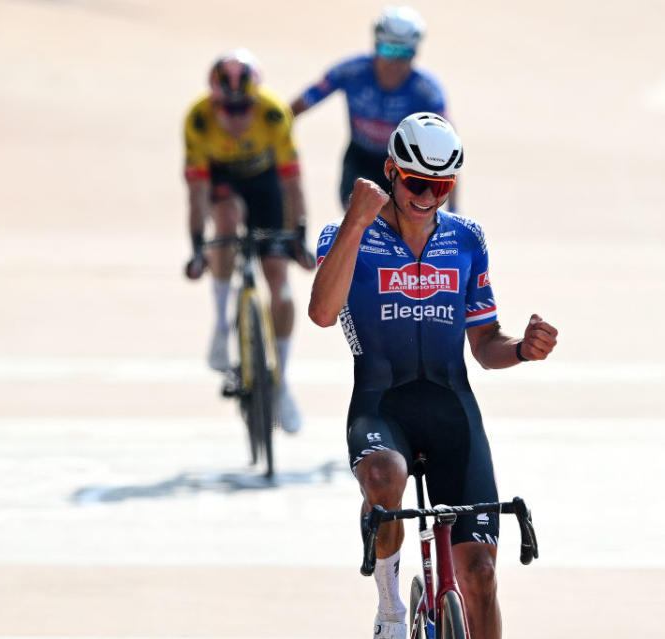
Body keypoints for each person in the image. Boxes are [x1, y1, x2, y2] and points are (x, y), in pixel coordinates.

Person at [308, 113, 558, 639]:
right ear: (391, 173)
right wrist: (356, 222)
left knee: (482, 575)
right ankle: (391, 611)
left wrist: (523, 349)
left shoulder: (467, 239)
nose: (427, 196)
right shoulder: (343, 234)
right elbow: (322, 313)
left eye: (440, 186)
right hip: (382, 405)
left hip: (451, 408)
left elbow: (486, 345)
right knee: (383, 478)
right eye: (417, 182)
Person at [183, 49, 314, 434]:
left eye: (244, 110)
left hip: (265, 184)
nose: (236, 118)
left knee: (282, 288)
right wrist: (196, 247)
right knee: (226, 217)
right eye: (229, 109)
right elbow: (196, 194)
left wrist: (299, 236)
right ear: (213, 101)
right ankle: (223, 328)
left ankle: (281, 383)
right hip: (223, 183)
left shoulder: (274, 114)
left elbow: (293, 184)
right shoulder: (199, 120)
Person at [290, 5, 457, 210]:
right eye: (388, 50)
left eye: (404, 53)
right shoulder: (351, 71)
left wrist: (454, 209)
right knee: (358, 215)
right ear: (375, 45)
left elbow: (449, 153)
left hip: (403, 164)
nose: (394, 62)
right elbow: (298, 106)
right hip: (360, 159)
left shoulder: (427, 91)